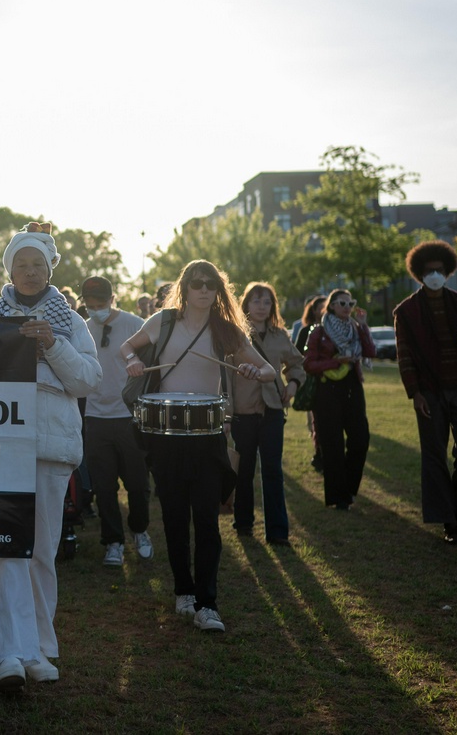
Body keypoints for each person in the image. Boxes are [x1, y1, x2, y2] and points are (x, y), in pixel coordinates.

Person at [121, 260, 274, 634]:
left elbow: (269, 370)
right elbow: (127, 346)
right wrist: (132, 361)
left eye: (210, 284)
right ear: (185, 287)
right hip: (166, 436)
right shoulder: (163, 322)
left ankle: (207, 604)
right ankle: (183, 592)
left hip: (208, 436)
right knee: (174, 518)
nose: (203, 289)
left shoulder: (226, 330)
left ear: (218, 290)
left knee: (207, 520)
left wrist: (254, 371)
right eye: (196, 283)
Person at [0, 223, 100, 692]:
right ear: (9, 270)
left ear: (50, 269)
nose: (30, 272)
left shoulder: (71, 322)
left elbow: (87, 381)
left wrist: (52, 344)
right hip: (0, 450)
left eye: (38, 264)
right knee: (2, 551)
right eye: (21, 264)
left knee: (41, 554)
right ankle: (9, 654)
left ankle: (39, 649)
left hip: (50, 449)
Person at [393, 240, 457, 545]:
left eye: (440, 270)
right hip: (430, 393)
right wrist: (415, 393)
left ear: (448, 272)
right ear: (419, 274)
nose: (435, 275)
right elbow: (405, 356)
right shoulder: (406, 311)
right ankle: (448, 522)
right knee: (434, 457)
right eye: (429, 271)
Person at [79, 276, 152, 567]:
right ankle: (113, 541)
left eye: (100, 304)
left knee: (138, 483)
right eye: (90, 305)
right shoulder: (83, 329)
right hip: (95, 417)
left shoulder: (135, 325)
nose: (95, 310)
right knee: (104, 486)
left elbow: (151, 365)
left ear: (112, 299)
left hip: (129, 416)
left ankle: (140, 530)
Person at [230, 282, 306, 546]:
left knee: (273, 470)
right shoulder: (235, 335)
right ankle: (243, 523)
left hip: (273, 409)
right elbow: (225, 375)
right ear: (246, 304)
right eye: (256, 301)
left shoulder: (280, 335)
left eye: (267, 302)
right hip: (243, 411)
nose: (261, 307)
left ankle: (277, 531)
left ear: (273, 306)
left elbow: (296, 364)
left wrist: (293, 384)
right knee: (244, 469)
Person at [304, 288, 376, 511]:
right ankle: (339, 497)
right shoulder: (319, 331)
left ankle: (349, 488)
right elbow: (308, 364)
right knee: (332, 444)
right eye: (342, 303)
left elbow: (370, 352)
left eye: (350, 303)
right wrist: (337, 362)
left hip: (352, 387)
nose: (347, 307)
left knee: (360, 439)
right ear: (332, 306)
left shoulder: (355, 328)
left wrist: (363, 326)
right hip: (327, 390)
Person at [294, 295, 328, 472]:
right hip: (312, 381)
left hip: (333, 382)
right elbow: (298, 355)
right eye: (321, 307)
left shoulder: (334, 330)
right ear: (314, 311)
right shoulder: (306, 331)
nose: (324, 310)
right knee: (316, 420)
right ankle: (319, 453)